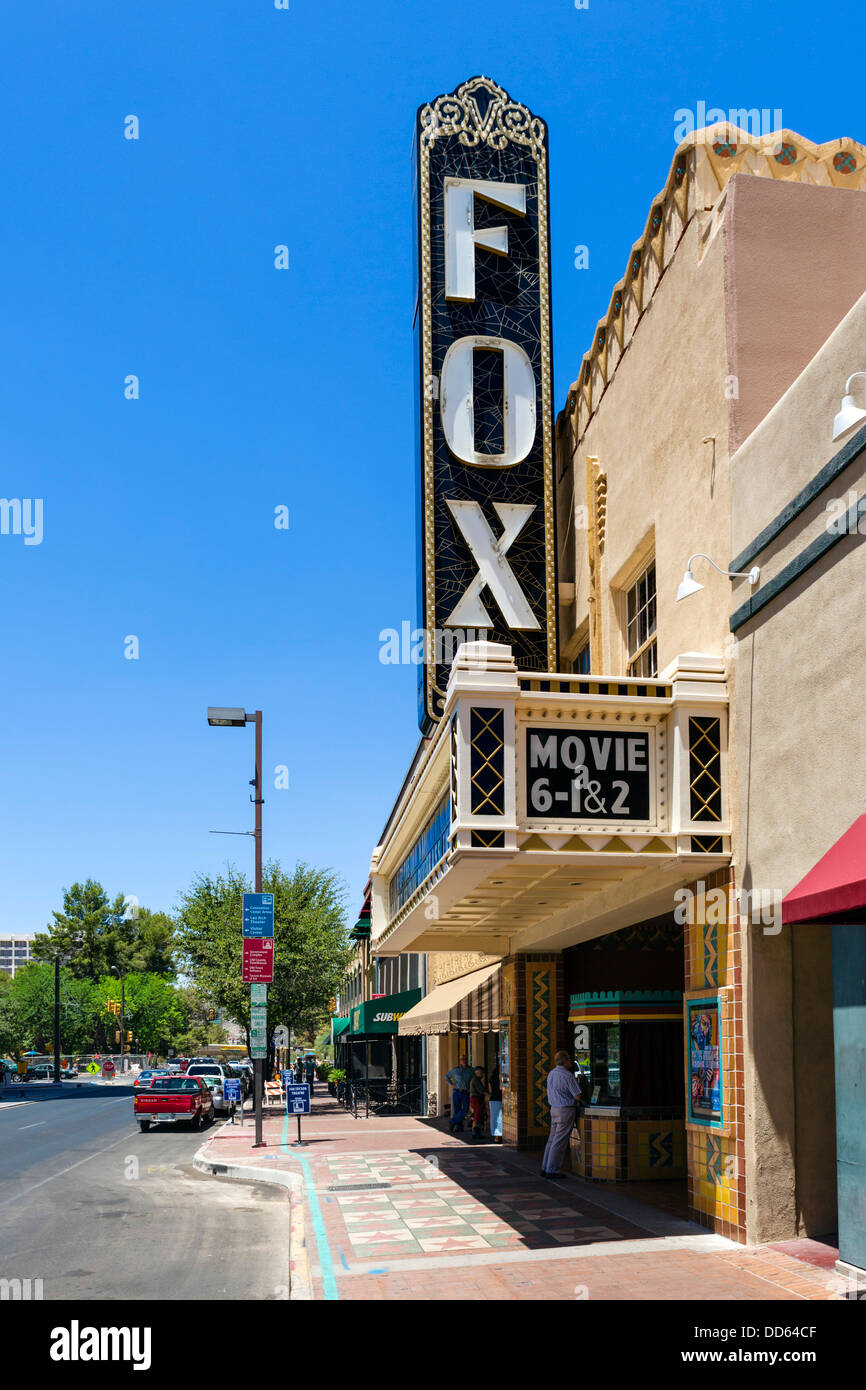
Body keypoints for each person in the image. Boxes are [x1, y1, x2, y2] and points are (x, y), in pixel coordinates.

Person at [541, 1050, 583, 1179]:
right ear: (564, 1061)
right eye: (569, 1059)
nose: (571, 1061)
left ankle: (545, 1167)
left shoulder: (552, 1073)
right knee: (559, 1142)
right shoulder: (567, 1075)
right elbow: (577, 1096)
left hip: (554, 1109)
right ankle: (552, 1170)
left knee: (552, 1140)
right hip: (565, 1110)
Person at [445, 1058, 474, 1134]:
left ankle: (452, 1121)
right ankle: (459, 1127)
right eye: (462, 1059)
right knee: (457, 1110)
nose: (464, 1060)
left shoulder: (471, 1070)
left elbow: (476, 1077)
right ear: (460, 1061)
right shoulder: (455, 1070)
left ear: (467, 1060)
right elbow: (446, 1077)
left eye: (465, 1059)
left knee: (465, 1110)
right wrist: (452, 1084)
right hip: (456, 1091)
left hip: (465, 1092)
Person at [469, 1066, 487, 1142]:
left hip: (476, 1099)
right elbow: (481, 1090)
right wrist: (489, 1095)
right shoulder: (475, 1080)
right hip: (476, 1099)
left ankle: (475, 1132)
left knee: (477, 1115)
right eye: (481, 1073)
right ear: (477, 1073)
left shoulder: (476, 1080)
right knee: (477, 1116)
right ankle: (475, 1132)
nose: (483, 1075)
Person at [488, 1063, 503, 1143]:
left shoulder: (491, 1078)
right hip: (500, 1099)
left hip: (493, 1099)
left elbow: (490, 1090)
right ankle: (499, 1136)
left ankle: (496, 1137)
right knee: (500, 1118)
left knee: (494, 1118)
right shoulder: (502, 1078)